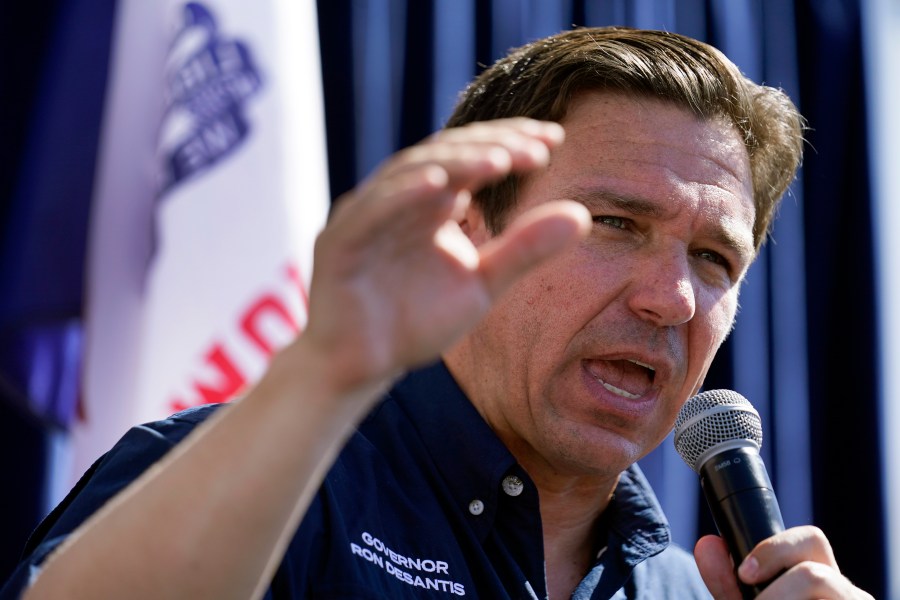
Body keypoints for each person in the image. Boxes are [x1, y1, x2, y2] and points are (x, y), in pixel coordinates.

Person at [2, 26, 873, 600]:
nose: (671, 296)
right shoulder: (249, 491)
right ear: (467, 228)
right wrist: (322, 371)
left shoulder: (694, 590)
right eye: (614, 224)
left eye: (713, 258)